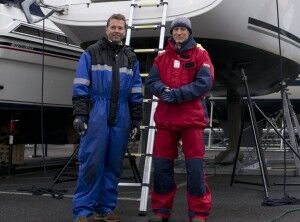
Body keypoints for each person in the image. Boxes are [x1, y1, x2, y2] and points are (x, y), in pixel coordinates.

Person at [72, 14, 143, 222]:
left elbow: (136, 90)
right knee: (91, 162)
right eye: (113, 27)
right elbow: (80, 86)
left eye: (120, 28)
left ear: (125, 31)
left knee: (113, 164)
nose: (116, 31)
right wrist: (79, 114)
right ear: (106, 29)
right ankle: (83, 211)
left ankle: (104, 208)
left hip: (122, 114)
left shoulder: (131, 58)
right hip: (97, 113)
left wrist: (136, 120)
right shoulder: (91, 53)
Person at [145, 17, 214, 222]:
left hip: (191, 119)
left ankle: (199, 213)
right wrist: (162, 90)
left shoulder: (201, 55)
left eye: (183, 29)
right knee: (161, 166)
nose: (179, 33)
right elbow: (152, 81)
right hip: (166, 120)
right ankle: (161, 211)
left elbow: (205, 83)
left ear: (189, 32)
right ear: (172, 33)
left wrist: (177, 94)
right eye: (176, 30)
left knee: (194, 168)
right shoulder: (161, 58)